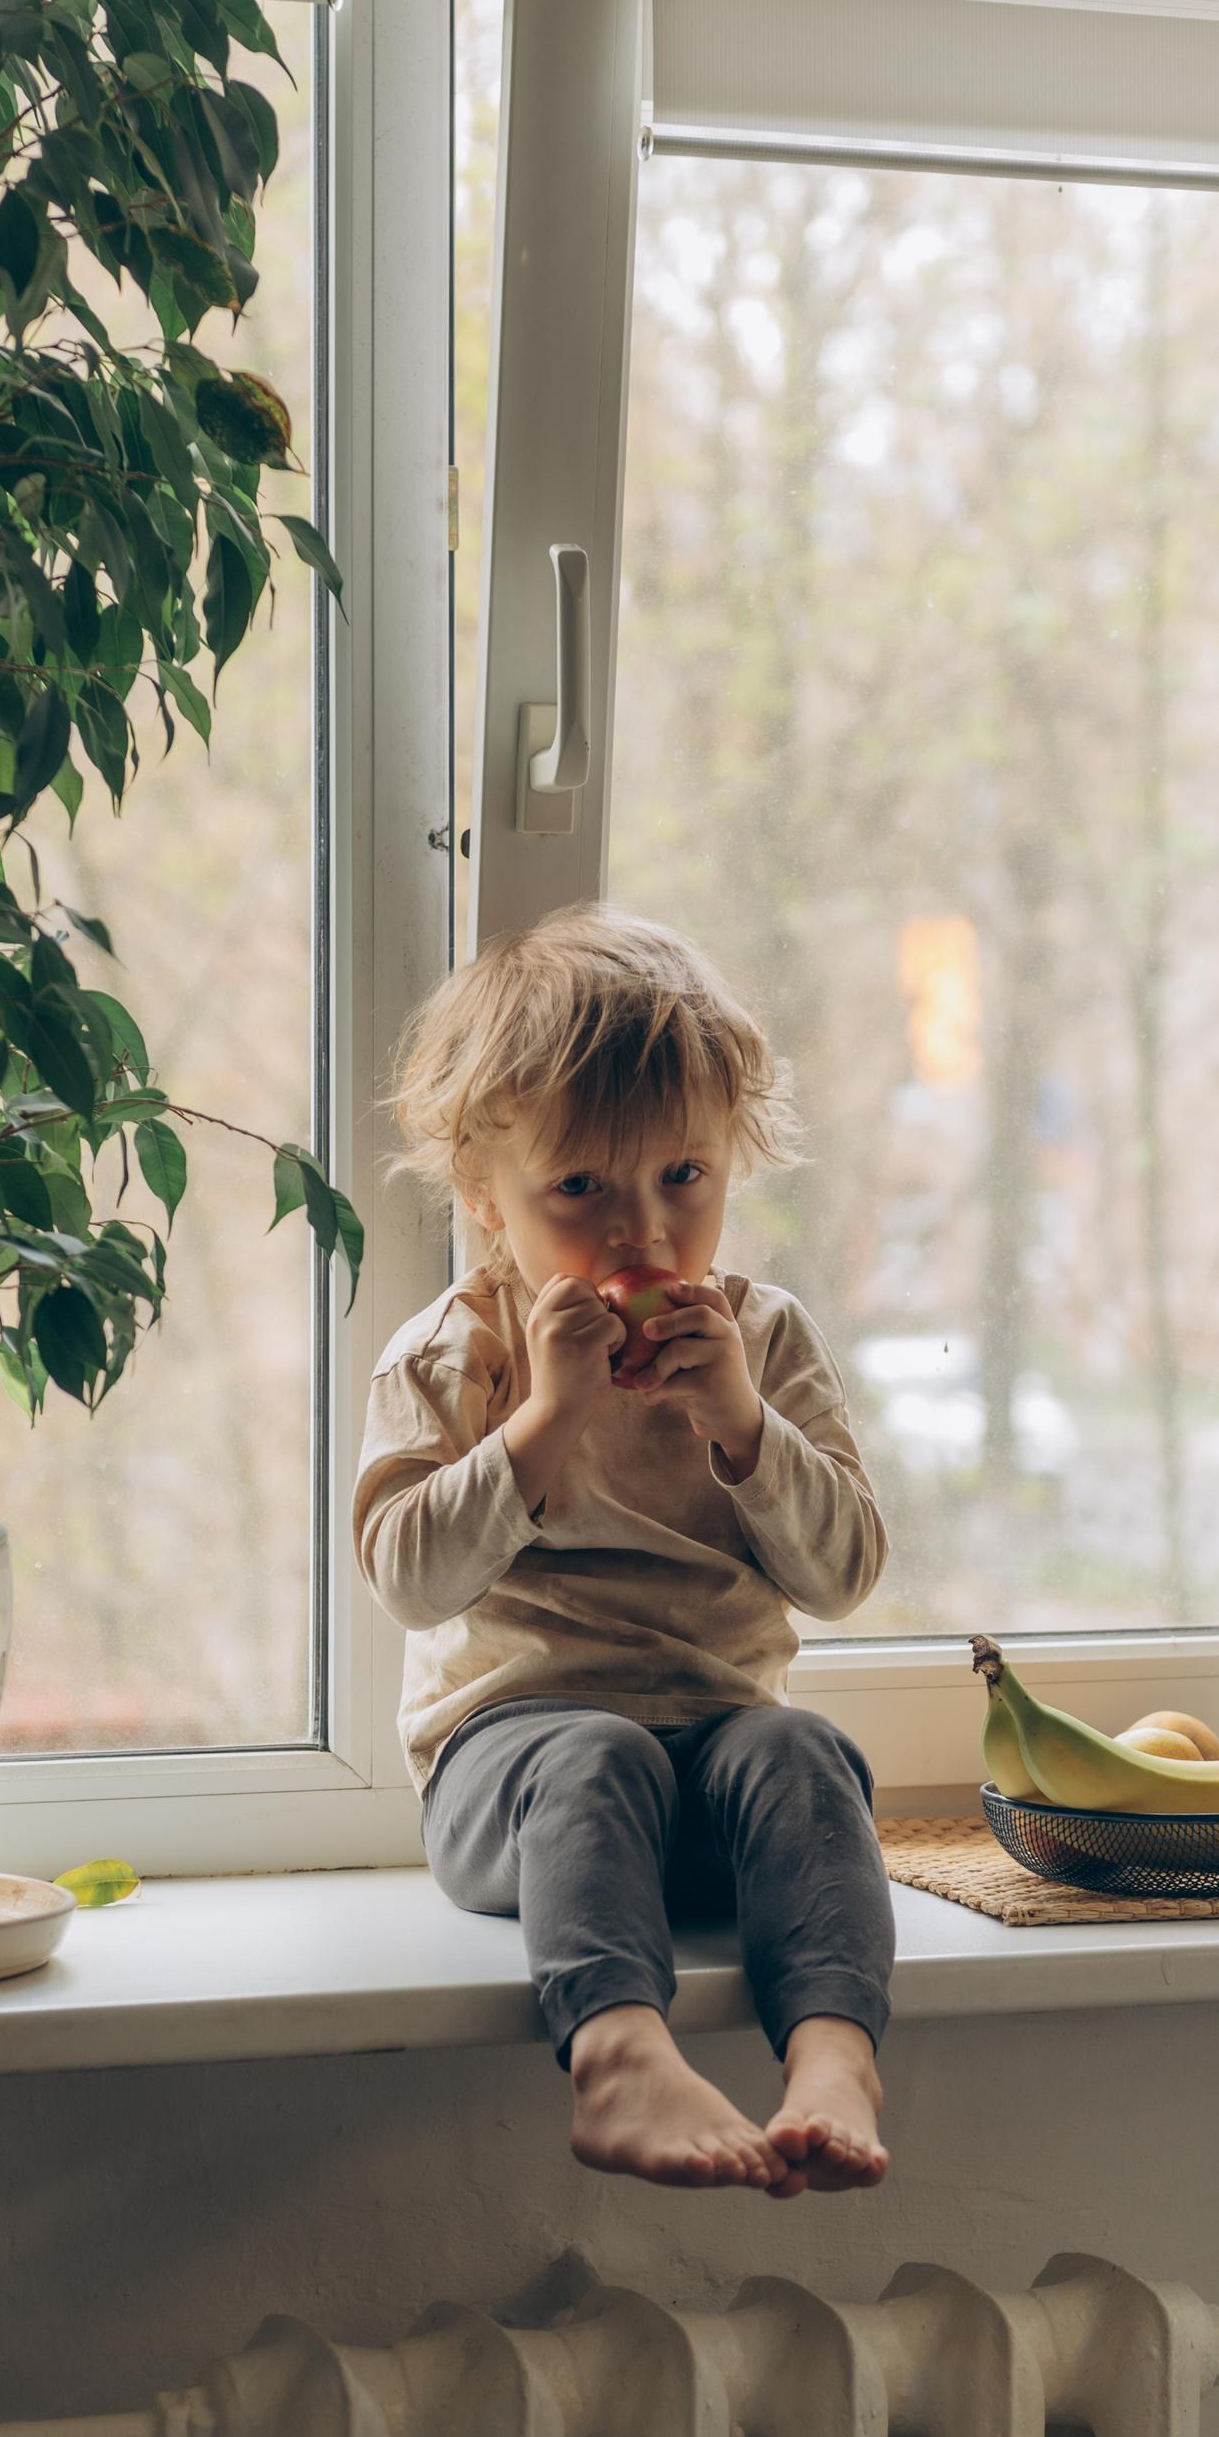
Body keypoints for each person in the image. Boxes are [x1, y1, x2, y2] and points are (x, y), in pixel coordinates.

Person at [355, 907, 895, 2196]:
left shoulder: (760, 1347)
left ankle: (834, 2053)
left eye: (683, 1179)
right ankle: (616, 2057)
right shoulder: (459, 1354)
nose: (642, 1234)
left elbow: (847, 1575)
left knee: (809, 1752)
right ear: (488, 1199)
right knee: (591, 1749)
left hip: (714, 1766)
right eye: (582, 1188)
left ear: (731, 1167)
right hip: (518, 1782)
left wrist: (743, 1430)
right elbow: (406, 1576)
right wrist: (542, 1424)